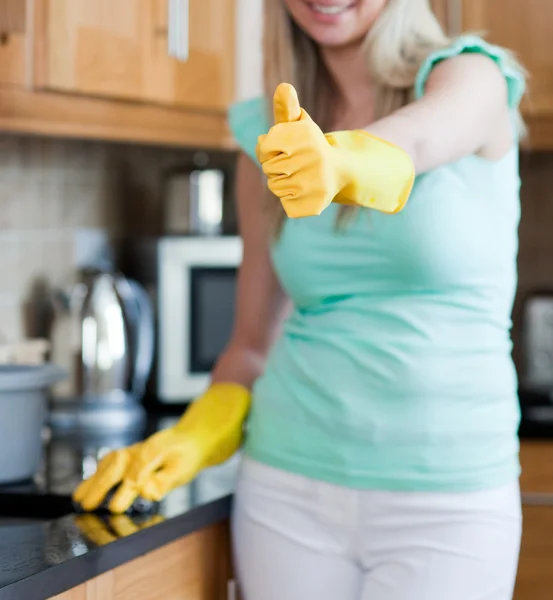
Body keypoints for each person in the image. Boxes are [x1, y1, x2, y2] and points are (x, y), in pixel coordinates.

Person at [74, 0, 527, 598]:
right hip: (286, 486)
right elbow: (251, 345)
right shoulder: (266, 135)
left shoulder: (471, 76)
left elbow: (418, 140)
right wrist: (194, 435)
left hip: (449, 497)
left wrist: (340, 160)